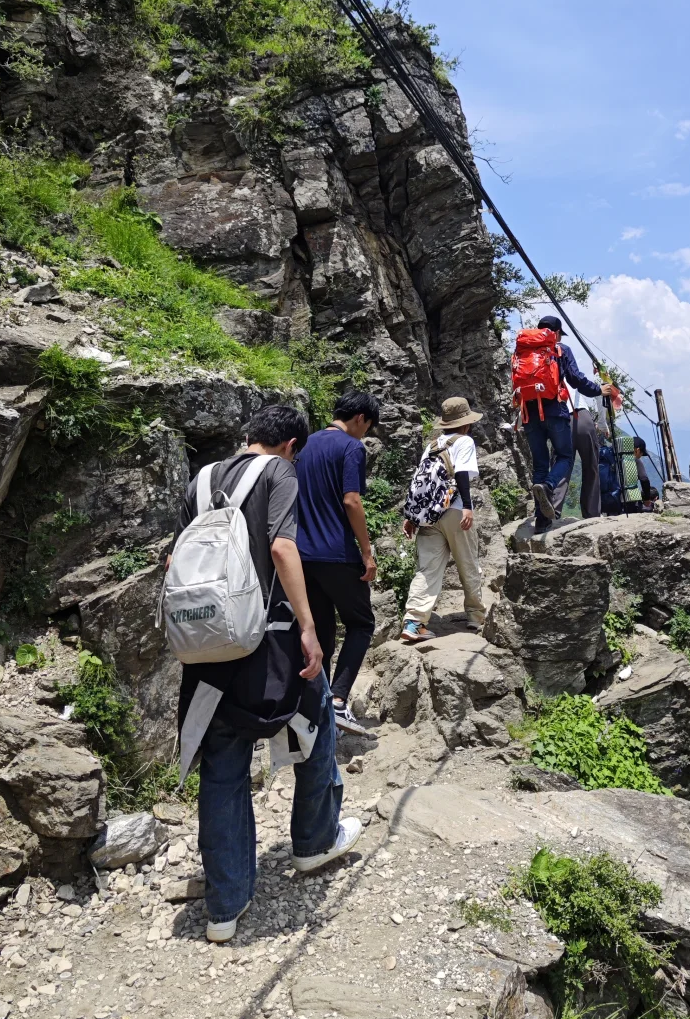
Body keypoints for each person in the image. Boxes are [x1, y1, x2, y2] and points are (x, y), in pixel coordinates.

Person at [170, 403, 362, 944]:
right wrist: (307, 626)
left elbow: (175, 563)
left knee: (222, 767)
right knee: (317, 727)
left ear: (247, 435)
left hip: (209, 646)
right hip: (270, 643)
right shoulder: (279, 473)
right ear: (292, 446)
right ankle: (314, 842)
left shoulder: (202, 479)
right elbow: (281, 547)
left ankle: (225, 908)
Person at [296, 390, 380, 735]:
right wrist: (366, 550)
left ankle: (316, 707)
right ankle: (339, 702)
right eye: (368, 427)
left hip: (301, 557)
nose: (365, 434)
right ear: (360, 418)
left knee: (322, 633)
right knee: (361, 624)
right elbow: (351, 501)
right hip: (337, 554)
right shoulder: (351, 448)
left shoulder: (303, 445)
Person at [400, 396, 486, 643]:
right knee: (467, 562)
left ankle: (414, 622)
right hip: (455, 511)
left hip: (428, 516)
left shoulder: (432, 445)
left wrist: (412, 516)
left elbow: (420, 482)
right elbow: (461, 474)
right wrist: (467, 507)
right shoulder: (465, 441)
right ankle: (475, 617)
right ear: (466, 424)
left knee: (427, 569)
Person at [523, 315, 613, 527]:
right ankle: (591, 514)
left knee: (543, 465)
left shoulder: (525, 351)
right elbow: (576, 379)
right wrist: (598, 389)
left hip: (531, 414)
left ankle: (545, 518)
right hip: (567, 414)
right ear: (556, 333)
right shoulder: (560, 350)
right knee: (582, 463)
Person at [550, 402, 602, 520]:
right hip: (584, 418)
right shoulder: (578, 382)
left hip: (561, 417)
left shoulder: (551, 382)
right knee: (591, 468)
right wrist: (603, 423)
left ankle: (554, 509)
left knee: (560, 466)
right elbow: (601, 395)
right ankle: (592, 513)